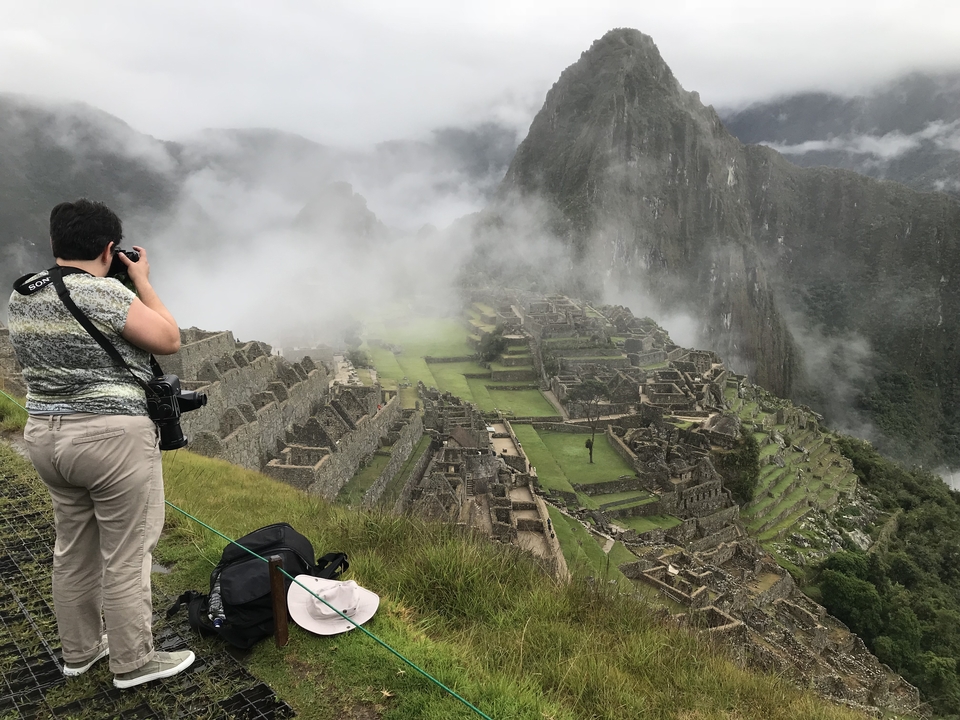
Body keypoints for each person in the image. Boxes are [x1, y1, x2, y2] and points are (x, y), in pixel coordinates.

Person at [6, 199, 194, 689]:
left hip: (46, 437)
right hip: (109, 436)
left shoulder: (23, 294)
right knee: (128, 553)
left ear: (54, 243)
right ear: (111, 249)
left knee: (73, 549)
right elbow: (168, 338)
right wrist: (143, 281)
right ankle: (134, 661)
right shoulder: (104, 295)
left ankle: (80, 653)